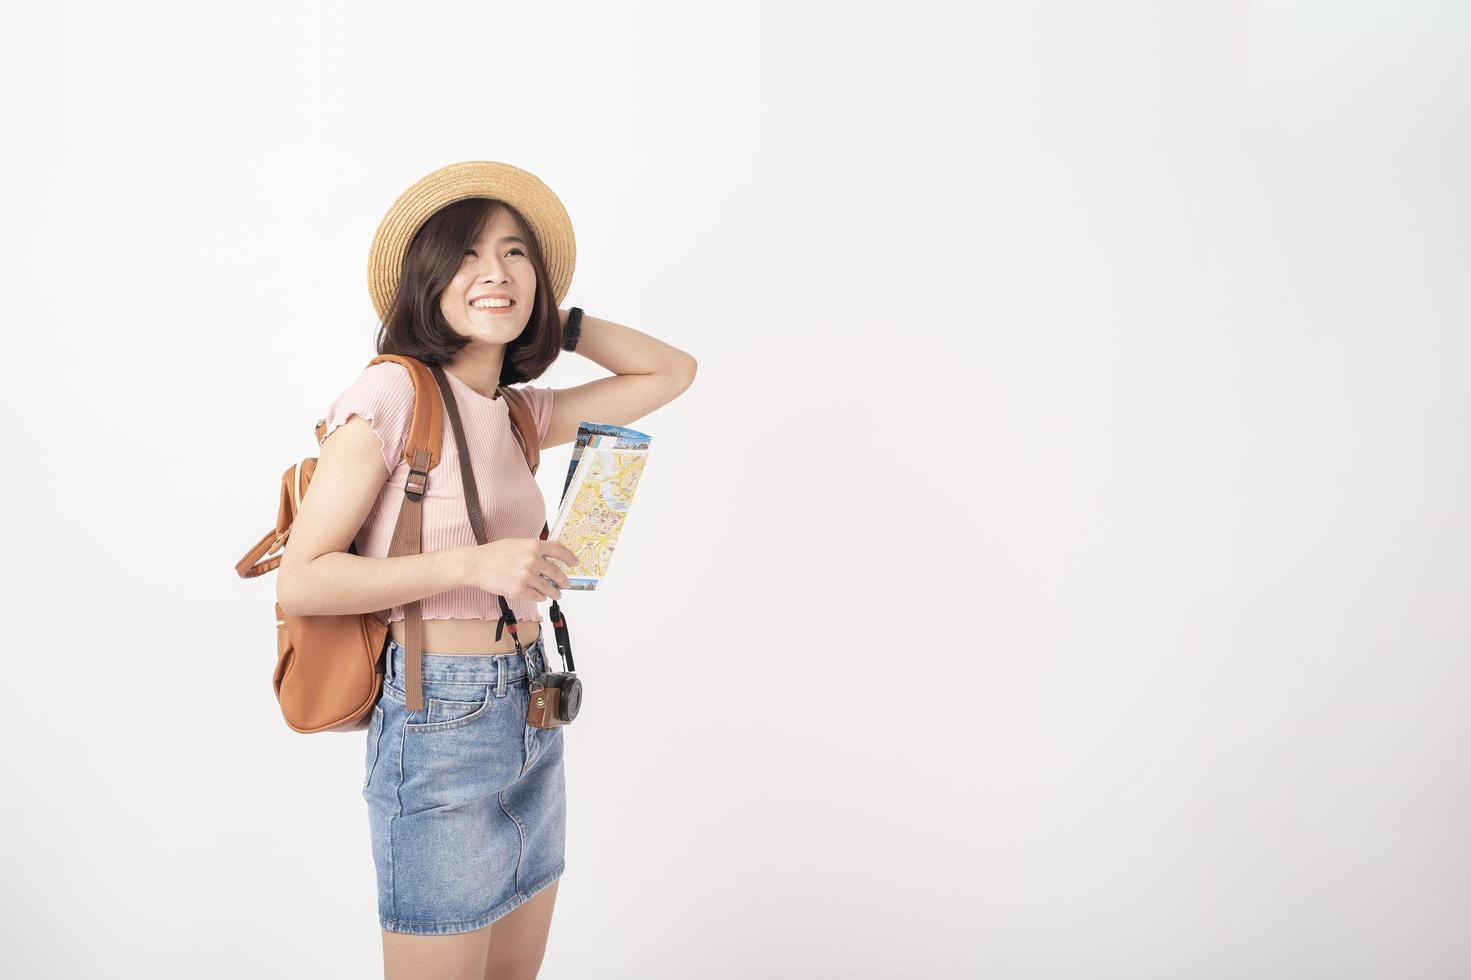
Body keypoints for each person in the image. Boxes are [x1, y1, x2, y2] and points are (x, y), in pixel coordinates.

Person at [276, 161, 697, 980]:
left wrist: (554, 323)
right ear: (425, 279)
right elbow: (304, 579)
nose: (494, 273)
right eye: (466, 256)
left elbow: (670, 373)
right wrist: (477, 563)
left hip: (530, 706)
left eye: (514, 255)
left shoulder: (517, 412)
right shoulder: (391, 393)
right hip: (441, 715)